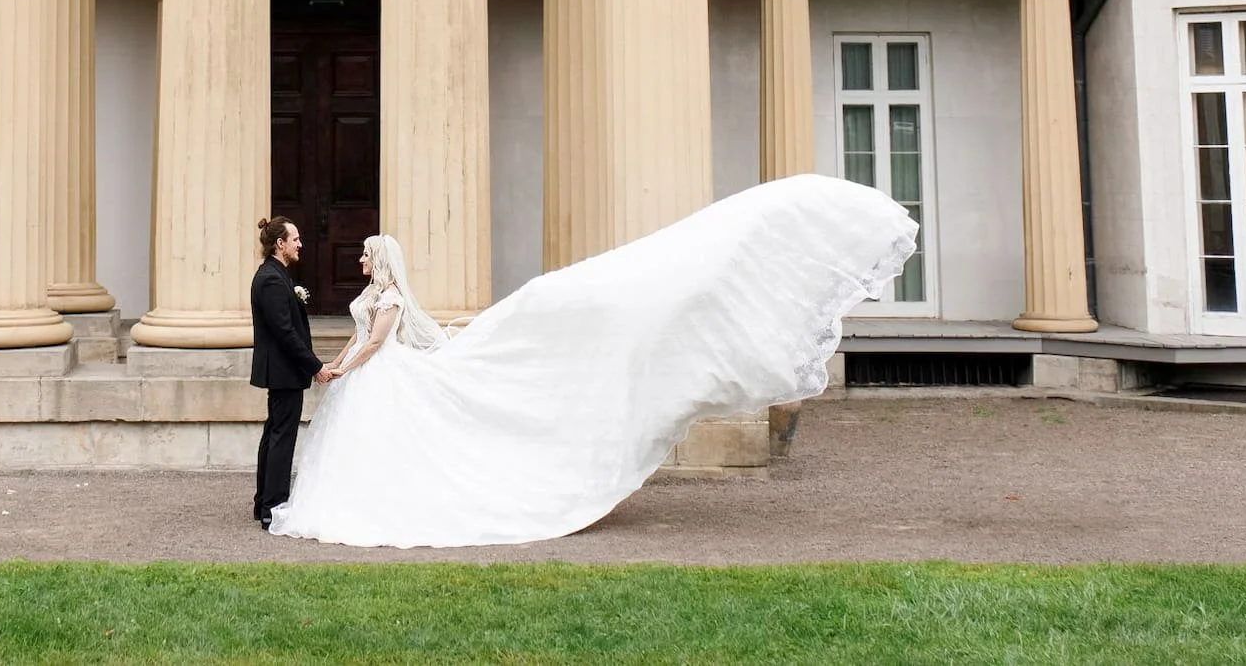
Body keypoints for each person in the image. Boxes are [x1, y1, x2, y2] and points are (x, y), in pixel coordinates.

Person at [265, 172, 917, 548]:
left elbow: (379, 341)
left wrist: (340, 368)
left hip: (379, 378)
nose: (359, 260)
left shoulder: (389, 301)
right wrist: (336, 363)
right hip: (366, 379)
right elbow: (366, 338)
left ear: (380, 262)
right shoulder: (375, 295)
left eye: (366, 257)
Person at [247, 215, 322, 527]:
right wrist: (315, 365)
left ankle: (264, 502)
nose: (300, 245)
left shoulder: (276, 276)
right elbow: (285, 332)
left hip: (283, 371)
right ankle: (273, 507)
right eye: (295, 240)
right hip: (283, 371)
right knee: (281, 437)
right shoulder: (271, 280)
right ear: (280, 244)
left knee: (274, 434)